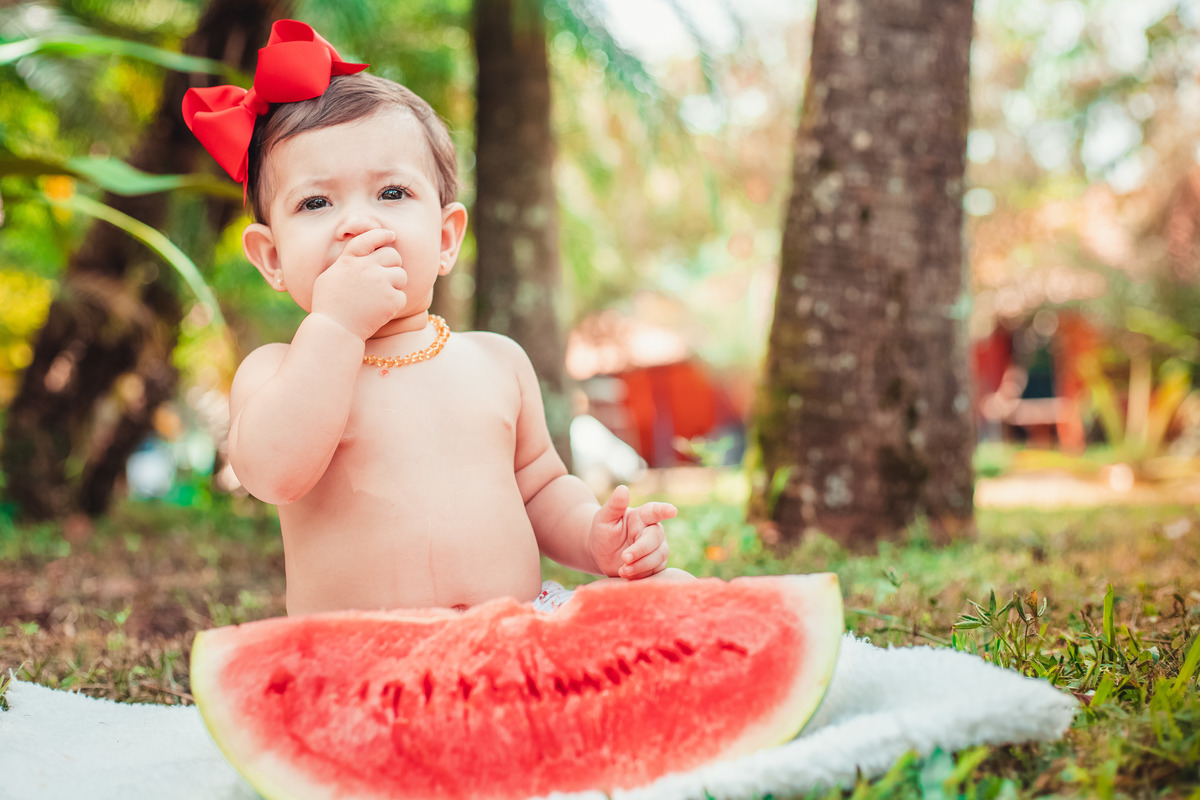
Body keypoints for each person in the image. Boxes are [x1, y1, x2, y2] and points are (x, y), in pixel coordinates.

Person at [183, 20, 687, 616]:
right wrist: (337, 327)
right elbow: (272, 475)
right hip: (362, 659)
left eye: (392, 194)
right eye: (316, 203)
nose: (357, 224)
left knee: (677, 592)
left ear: (446, 239)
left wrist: (596, 538)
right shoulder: (275, 372)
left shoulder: (498, 361)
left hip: (516, 630)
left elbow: (543, 489)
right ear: (271, 258)